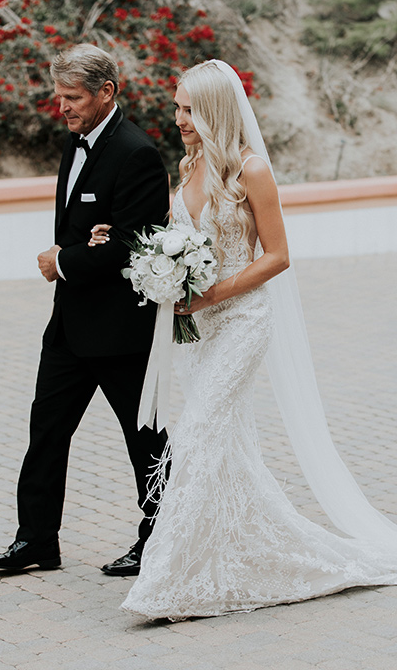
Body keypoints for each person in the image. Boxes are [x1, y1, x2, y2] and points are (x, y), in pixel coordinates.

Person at [92, 59, 397, 620]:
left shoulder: (250, 170)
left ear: (212, 110)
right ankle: (238, 551)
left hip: (242, 322)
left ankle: (174, 579)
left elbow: (278, 256)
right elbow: (173, 241)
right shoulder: (187, 168)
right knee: (225, 448)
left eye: (187, 109)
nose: (176, 118)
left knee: (199, 434)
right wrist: (125, 241)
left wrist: (215, 294)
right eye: (177, 107)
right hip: (198, 331)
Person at [0, 43, 170, 576]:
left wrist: (65, 260)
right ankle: (36, 541)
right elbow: (91, 233)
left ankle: (158, 539)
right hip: (68, 326)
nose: (62, 107)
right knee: (46, 432)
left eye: (73, 97)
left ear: (107, 92)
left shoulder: (137, 153)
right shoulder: (75, 142)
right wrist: (83, 249)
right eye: (58, 96)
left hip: (120, 329)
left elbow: (133, 244)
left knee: (145, 441)